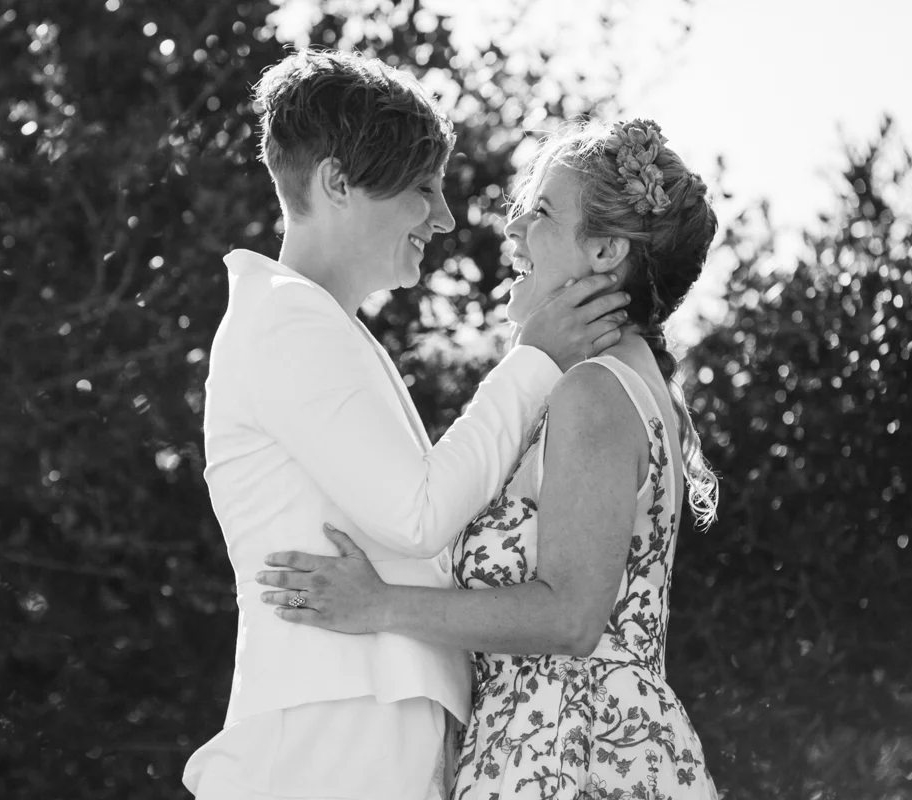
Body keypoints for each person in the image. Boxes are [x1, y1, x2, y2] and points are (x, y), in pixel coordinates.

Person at [183, 50, 629, 800]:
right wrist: (534, 362)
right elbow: (416, 515)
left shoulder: (320, 328)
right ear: (338, 183)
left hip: (365, 726)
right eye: (423, 188)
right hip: (332, 732)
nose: (446, 217)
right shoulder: (286, 323)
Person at [257, 118, 721, 799]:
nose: (513, 231)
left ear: (603, 250)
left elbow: (569, 617)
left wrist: (378, 604)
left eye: (540, 213)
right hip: (557, 742)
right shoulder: (618, 380)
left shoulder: (596, 391)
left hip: (570, 750)